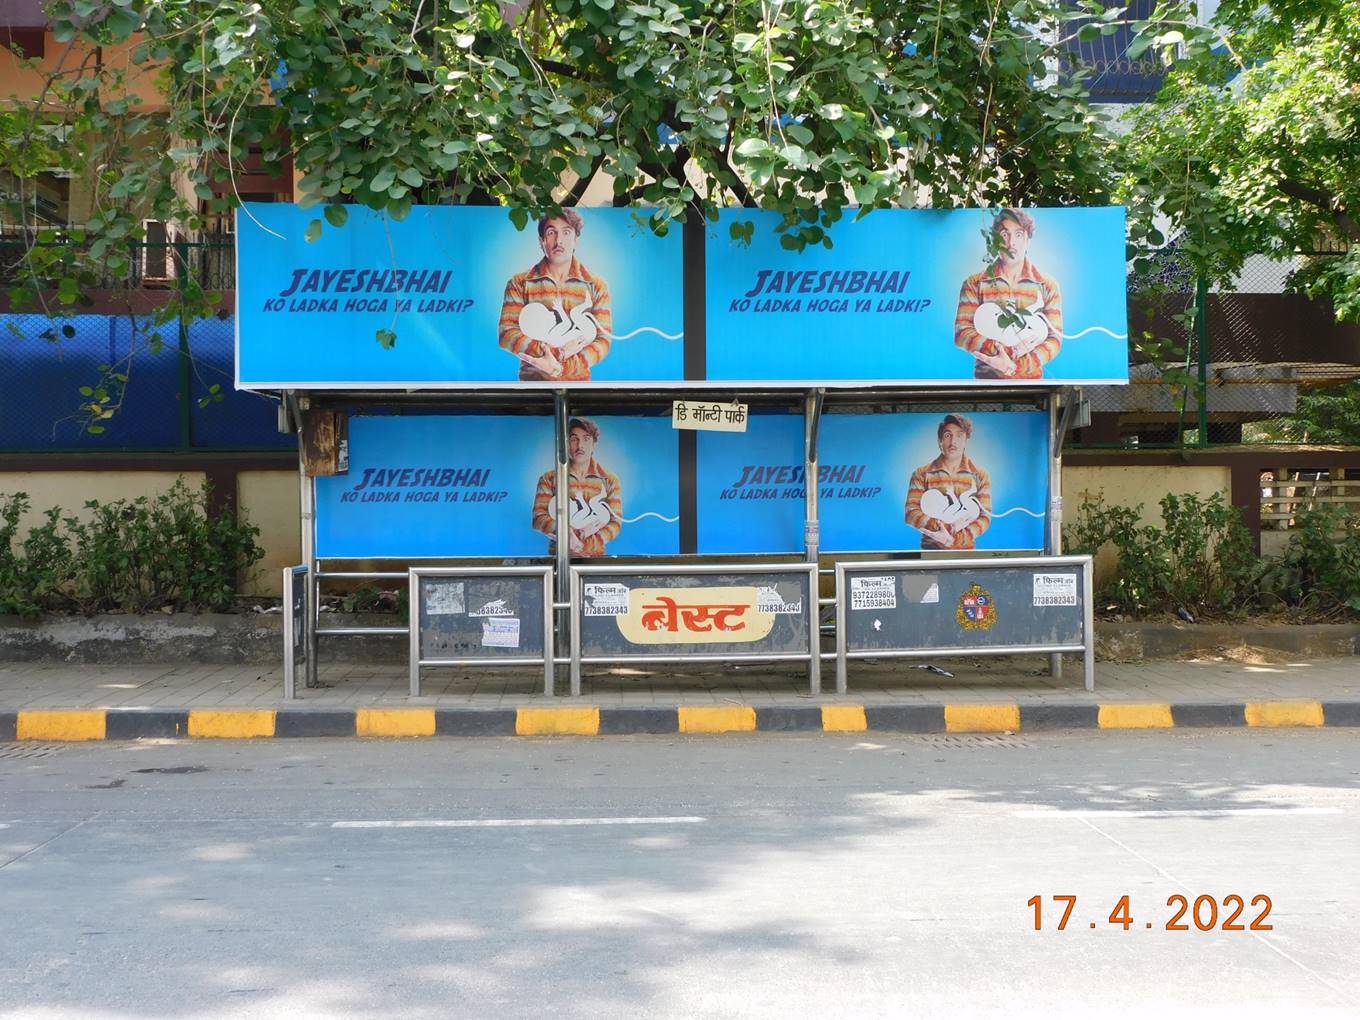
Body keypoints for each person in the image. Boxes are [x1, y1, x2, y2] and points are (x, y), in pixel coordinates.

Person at [498, 210, 613, 381]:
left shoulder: (596, 285)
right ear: (541, 241)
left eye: (566, 232)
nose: (559, 241)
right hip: (532, 388)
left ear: (576, 240)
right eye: (551, 233)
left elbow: (603, 341)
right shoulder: (520, 282)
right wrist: (558, 353)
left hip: (579, 389)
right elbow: (507, 334)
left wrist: (561, 368)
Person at [953, 208, 1064, 379]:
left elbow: (1054, 339)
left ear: (1028, 241)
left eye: (1019, 235)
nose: (1011, 242)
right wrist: (1003, 351)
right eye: (1004, 235)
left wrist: (1014, 367)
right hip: (986, 381)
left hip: (1031, 383)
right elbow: (962, 332)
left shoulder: (1047, 285)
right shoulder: (974, 283)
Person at [531, 417, 623, 557]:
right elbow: (538, 518)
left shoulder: (610, 480)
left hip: (595, 563)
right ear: (567, 444)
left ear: (594, 444)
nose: (580, 446)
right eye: (574, 439)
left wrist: (584, 545)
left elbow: (615, 523)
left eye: (586, 439)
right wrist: (567, 533)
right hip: (558, 559)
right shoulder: (549, 478)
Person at [904, 414, 992, 550]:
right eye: (947, 435)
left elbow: (985, 518)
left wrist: (954, 540)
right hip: (930, 551)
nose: (953, 442)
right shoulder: (921, 474)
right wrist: (945, 528)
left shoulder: (980, 475)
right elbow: (911, 513)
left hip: (966, 551)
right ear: (940, 441)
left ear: (966, 440)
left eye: (959, 435)